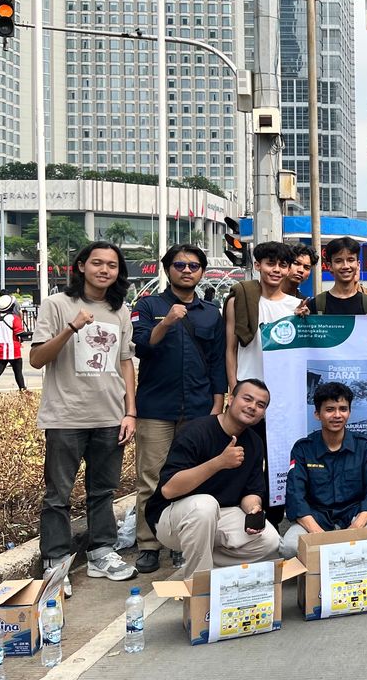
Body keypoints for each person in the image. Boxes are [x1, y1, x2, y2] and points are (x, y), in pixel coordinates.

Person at [31, 241, 138, 591]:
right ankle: (56, 563)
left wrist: (130, 411)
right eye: (97, 263)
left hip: (109, 416)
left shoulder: (119, 311)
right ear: (80, 266)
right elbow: (37, 359)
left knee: (103, 491)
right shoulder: (57, 305)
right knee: (58, 495)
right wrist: (72, 328)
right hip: (65, 417)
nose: (105, 270)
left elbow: (125, 362)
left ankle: (101, 552)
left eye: (112, 265)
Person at [131, 244, 228, 574]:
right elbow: (142, 346)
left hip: (200, 408)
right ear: (168, 268)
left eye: (194, 266)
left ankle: (180, 540)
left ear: (202, 272)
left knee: (193, 477)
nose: (187, 271)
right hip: (156, 407)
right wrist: (168, 321)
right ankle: (148, 542)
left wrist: (218, 402)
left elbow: (217, 362)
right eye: (180, 265)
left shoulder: (211, 313)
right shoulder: (148, 305)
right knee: (151, 477)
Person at [145, 379, 280, 577]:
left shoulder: (254, 442)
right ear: (231, 399)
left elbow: (251, 491)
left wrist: (253, 509)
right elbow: (169, 489)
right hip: (173, 518)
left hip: (220, 517)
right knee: (205, 505)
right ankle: (199, 586)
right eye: (247, 399)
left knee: (270, 540)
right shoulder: (196, 431)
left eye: (261, 405)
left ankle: (203, 565)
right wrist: (219, 463)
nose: (253, 407)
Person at [281, 381, 367, 558]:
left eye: (343, 409)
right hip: (316, 518)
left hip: (354, 516)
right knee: (289, 547)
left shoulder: (364, 446)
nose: (337, 415)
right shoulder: (303, 449)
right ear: (317, 414)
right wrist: (317, 534)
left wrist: (356, 528)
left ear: (349, 412)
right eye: (329, 409)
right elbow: (295, 495)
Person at [224, 241, 303, 385]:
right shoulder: (239, 301)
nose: (277, 270)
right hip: (247, 384)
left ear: (288, 269)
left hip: (284, 385)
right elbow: (231, 349)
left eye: (283, 265)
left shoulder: (297, 306)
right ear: (257, 265)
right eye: (271, 263)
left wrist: (302, 319)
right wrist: (234, 390)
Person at [304, 237, 367, 317]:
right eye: (338, 261)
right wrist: (299, 319)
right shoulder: (316, 305)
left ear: (358, 265)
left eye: (350, 260)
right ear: (330, 266)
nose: (345, 266)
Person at [0, 294, 28, 398]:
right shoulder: (14, 318)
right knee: (18, 371)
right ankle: (22, 390)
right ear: (12, 306)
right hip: (12, 348)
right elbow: (19, 333)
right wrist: (32, 333)